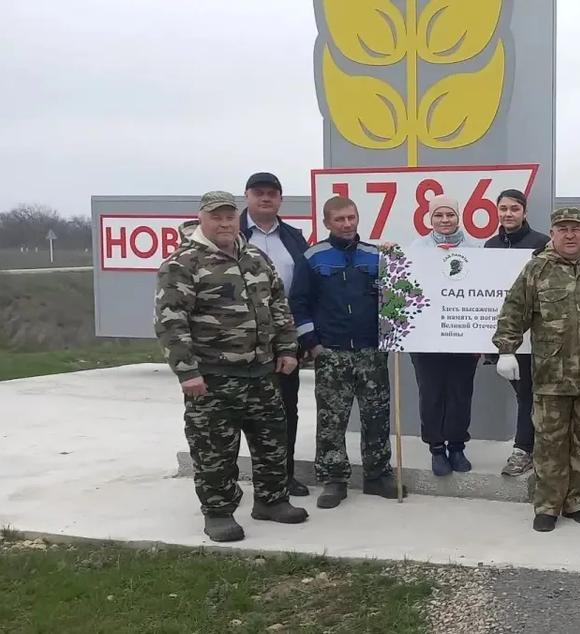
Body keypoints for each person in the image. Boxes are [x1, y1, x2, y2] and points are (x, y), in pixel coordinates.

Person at [154, 190, 308, 542]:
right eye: (216, 217)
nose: (224, 223)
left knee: (272, 442)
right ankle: (219, 513)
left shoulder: (254, 257)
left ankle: (271, 501)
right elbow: (170, 322)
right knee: (215, 451)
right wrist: (187, 371)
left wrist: (287, 349)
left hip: (262, 372)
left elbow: (279, 305)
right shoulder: (183, 263)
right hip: (213, 377)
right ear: (201, 219)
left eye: (229, 216)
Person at [493, 207, 580, 532]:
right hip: (551, 376)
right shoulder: (537, 269)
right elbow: (513, 311)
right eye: (562, 229)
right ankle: (547, 505)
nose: (570, 235)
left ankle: (577, 501)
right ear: (553, 233)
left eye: (575, 229)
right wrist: (506, 350)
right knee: (549, 444)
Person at [290, 195, 405, 509]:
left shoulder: (376, 255)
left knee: (376, 416)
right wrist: (312, 344)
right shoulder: (313, 257)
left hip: (371, 351)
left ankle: (377, 475)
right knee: (332, 420)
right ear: (327, 222)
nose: (346, 224)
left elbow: (395, 296)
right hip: (331, 353)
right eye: (339, 219)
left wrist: (397, 259)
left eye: (351, 218)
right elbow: (298, 303)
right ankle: (334, 480)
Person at [240, 172, 311, 497]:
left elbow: (306, 290)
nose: (266, 198)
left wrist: (303, 337)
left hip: (284, 340)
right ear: (247, 196)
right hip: (238, 343)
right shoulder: (232, 234)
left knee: (284, 410)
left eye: (272, 193)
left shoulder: (294, 238)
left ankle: (284, 475)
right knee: (239, 414)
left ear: (281, 199)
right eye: (259, 193)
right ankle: (233, 482)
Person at [409, 195, 482, 475]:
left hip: (463, 334)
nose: (445, 220)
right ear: (430, 218)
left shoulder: (476, 249)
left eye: (450, 214)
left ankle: (457, 446)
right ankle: (437, 448)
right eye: (438, 215)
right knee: (431, 394)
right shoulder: (416, 249)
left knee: (460, 393)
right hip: (426, 337)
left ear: (458, 216)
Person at [484, 189, 550, 478]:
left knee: (527, 393)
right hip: (504, 335)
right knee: (525, 393)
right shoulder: (490, 246)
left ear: (524, 212)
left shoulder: (541, 243)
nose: (508, 214)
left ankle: (523, 449)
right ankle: (531, 446)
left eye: (514, 208)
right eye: (503, 209)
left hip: (533, 335)